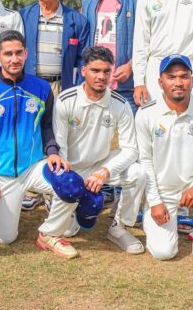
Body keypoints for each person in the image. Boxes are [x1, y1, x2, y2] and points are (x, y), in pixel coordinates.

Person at [0, 30, 77, 259]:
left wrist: (52, 152)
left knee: (72, 185)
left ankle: (49, 233)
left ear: (26, 53)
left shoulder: (41, 88)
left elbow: (47, 126)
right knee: (4, 238)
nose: (14, 58)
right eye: (8, 54)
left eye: (19, 52)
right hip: (1, 173)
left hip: (32, 167)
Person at [50, 46, 146, 254]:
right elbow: (60, 147)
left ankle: (119, 227)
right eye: (95, 70)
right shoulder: (66, 100)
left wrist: (105, 172)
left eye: (106, 71)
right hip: (71, 168)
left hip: (100, 166)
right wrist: (71, 181)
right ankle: (70, 207)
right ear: (83, 71)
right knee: (67, 232)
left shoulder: (120, 104)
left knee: (138, 173)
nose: (101, 76)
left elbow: (131, 149)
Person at [136, 54, 193, 271]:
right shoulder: (146, 114)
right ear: (160, 82)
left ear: (192, 80)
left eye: (184, 77)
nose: (178, 82)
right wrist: (155, 200)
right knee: (163, 252)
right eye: (171, 77)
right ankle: (151, 216)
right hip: (163, 193)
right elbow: (145, 161)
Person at [80, 0, 139, 111]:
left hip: (126, 85)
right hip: (95, 84)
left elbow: (149, 38)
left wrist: (131, 65)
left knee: (127, 135)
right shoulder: (88, 2)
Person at [20, 0, 89, 95]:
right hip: (29, 85)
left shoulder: (77, 21)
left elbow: (83, 60)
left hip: (62, 87)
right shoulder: (23, 16)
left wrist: (79, 89)